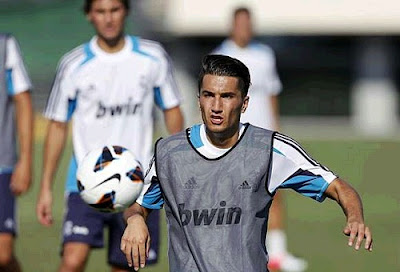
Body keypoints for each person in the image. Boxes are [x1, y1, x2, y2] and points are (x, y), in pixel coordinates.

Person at [120, 55, 373, 272]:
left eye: (227, 96)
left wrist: (355, 217)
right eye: (209, 95)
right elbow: (137, 206)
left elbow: (338, 187)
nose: (216, 106)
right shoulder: (168, 153)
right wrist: (134, 220)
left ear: (245, 103)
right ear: (199, 100)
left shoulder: (270, 149)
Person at [35, 0, 184, 271]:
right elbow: (57, 125)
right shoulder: (74, 63)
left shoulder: (153, 57)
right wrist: (46, 187)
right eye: (101, 11)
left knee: (126, 264)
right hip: (85, 181)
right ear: (89, 15)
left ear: (126, 11)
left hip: (137, 183)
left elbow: (172, 110)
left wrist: (179, 165)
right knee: (72, 261)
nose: (108, 18)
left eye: (114, 10)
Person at [212, 7, 306, 271]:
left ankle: (277, 254)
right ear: (232, 26)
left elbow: (271, 93)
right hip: (234, 137)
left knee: (274, 192)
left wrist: (276, 128)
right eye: (239, 24)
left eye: (248, 24)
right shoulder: (221, 56)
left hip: (265, 137)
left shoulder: (264, 54)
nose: (244, 28)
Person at [0, 33, 33, 271]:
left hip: (2, 163)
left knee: (2, 255)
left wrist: (25, 160)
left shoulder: (5, 45)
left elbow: (23, 100)